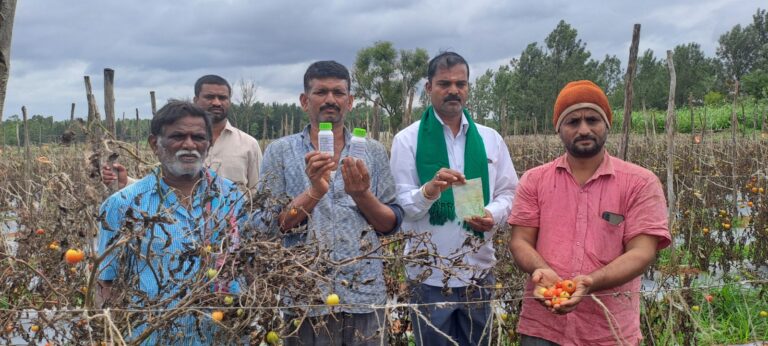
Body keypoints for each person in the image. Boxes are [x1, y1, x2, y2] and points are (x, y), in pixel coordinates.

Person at [507, 80, 671, 345]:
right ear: (558, 128)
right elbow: (520, 240)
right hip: (543, 327)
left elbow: (642, 251)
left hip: (609, 328)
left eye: (592, 119)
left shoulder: (640, 182)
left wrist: (591, 282)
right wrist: (541, 270)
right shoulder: (534, 180)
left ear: (607, 123)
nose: (583, 129)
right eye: (572, 122)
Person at [257, 60, 403, 346]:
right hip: (305, 296)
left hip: (364, 293)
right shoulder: (281, 152)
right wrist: (313, 192)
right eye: (320, 92)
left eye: (338, 93)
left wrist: (362, 195)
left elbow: (390, 224)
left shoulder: (371, 151)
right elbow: (271, 225)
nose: (330, 100)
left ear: (349, 102)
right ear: (304, 100)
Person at [389, 51, 518, 346]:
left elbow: (510, 192)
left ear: (468, 88)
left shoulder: (490, 139)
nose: (453, 91)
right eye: (444, 83)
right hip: (429, 277)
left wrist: (493, 214)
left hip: (479, 271)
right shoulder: (407, 141)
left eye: (460, 84)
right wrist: (429, 191)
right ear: (428, 88)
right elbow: (401, 206)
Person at [96, 100, 245, 345]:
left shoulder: (233, 198)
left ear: (210, 143)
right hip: (151, 337)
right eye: (178, 136)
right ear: (155, 144)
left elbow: (249, 265)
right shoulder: (123, 205)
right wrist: (113, 334)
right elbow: (106, 281)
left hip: (224, 335)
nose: (189, 145)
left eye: (198, 137)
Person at [102, 75, 262, 190]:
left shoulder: (248, 144)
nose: (216, 103)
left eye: (222, 98)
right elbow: (165, 184)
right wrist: (127, 183)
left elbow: (257, 192)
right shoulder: (170, 144)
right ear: (196, 100)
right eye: (209, 97)